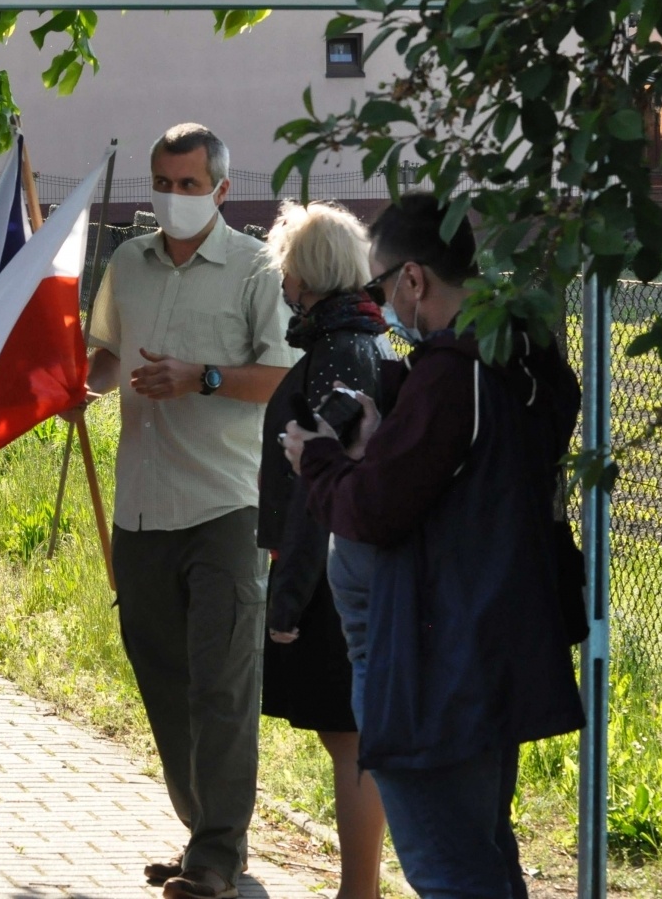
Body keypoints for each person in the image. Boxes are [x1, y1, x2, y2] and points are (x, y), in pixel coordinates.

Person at [281, 193, 584, 899]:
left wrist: (321, 461)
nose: (382, 305)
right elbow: (460, 483)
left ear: (414, 279)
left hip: (434, 666)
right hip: (486, 649)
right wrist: (382, 441)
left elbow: (379, 509)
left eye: (382, 286)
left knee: (450, 870)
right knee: (482, 855)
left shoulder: (454, 374)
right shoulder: (518, 356)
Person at [82, 123, 297, 899]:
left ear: (221, 190)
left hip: (227, 507)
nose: (175, 198)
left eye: (189, 184)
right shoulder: (126, 264)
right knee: (164, 677)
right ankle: (202, 829)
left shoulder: (254, 268)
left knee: (223, 683)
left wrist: (202, 376)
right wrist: (76, 386)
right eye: (163, 184)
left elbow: (282, 375)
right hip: (141, 509)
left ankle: (215, 856)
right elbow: (105, 357)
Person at [258, 201, 388, 899]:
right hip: (342, 567)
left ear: (306, 274)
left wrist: (288, 597)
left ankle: (357, 890)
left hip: (331, 578)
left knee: (350, 736)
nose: (282, 284)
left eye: (286, 269)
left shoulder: (338, 351)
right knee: (348, 734)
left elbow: (319, 484)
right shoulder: (360, 336)